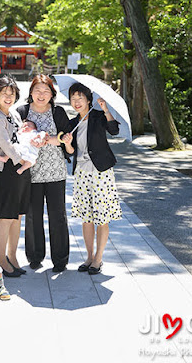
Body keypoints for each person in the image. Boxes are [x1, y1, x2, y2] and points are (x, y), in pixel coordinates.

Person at [61, 82, 122, 275]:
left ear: (89, 100)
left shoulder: (98, 116)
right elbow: (69, 152)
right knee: (86, 218)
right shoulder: (72, 123)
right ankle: (88, 257)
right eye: (73, 98)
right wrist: (68, 143)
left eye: (80, 98)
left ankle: (98, 258)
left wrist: (106, 110)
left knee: (101, 217)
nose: (76, 102)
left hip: (101, 172)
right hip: (81, 174)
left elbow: (114, 130)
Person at [16, 74, 71, 273]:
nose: (41, 94)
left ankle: (60, 259)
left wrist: (50, 139)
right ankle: (35, 255)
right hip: (30, 172)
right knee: (32, 215)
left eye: (46, 91)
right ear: (30, 93)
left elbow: (66, 138)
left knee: (58, 215)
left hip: (56, 171)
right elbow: (14, 138)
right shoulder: (21, 112)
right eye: (37, 90)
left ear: (52, 94)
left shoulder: (59, 112)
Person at [0, 76, 30, 277]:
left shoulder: (14, 114)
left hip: (20, 169)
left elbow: (21, 138)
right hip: (7, 171)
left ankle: (13, 256)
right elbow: (5, 145)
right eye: (4, 93)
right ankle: (1, 259)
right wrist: (24, 160)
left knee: (18, 215)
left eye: (11, 94)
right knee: (6, 216)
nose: (8, 97)